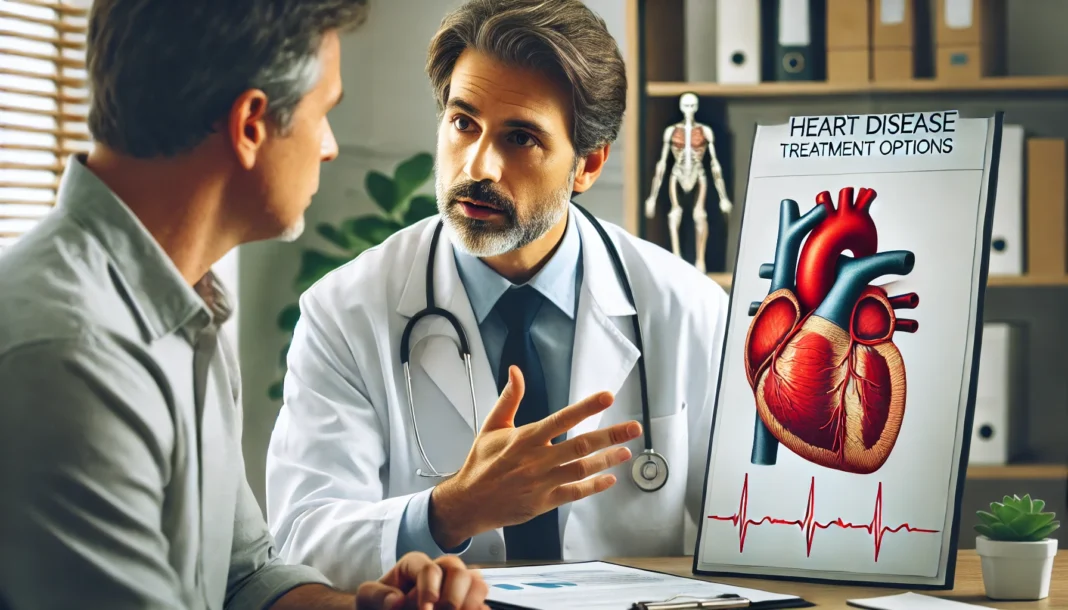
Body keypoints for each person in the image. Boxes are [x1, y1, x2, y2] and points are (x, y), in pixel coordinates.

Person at [0, 1, 489, 609]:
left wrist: (373, 609)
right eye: (323, 114)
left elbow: (245, 578)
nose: (331, 147)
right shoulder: (71, 355)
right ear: (252, 124)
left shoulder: (186, 307)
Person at [265, 0, 730, 591]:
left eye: (520, 138)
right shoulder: (347, 311)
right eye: (464, 123)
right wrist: (449, 510)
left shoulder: (687, 308)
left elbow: (752, 533)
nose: (478, 165)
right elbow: (304, 540)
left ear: (587, 164)